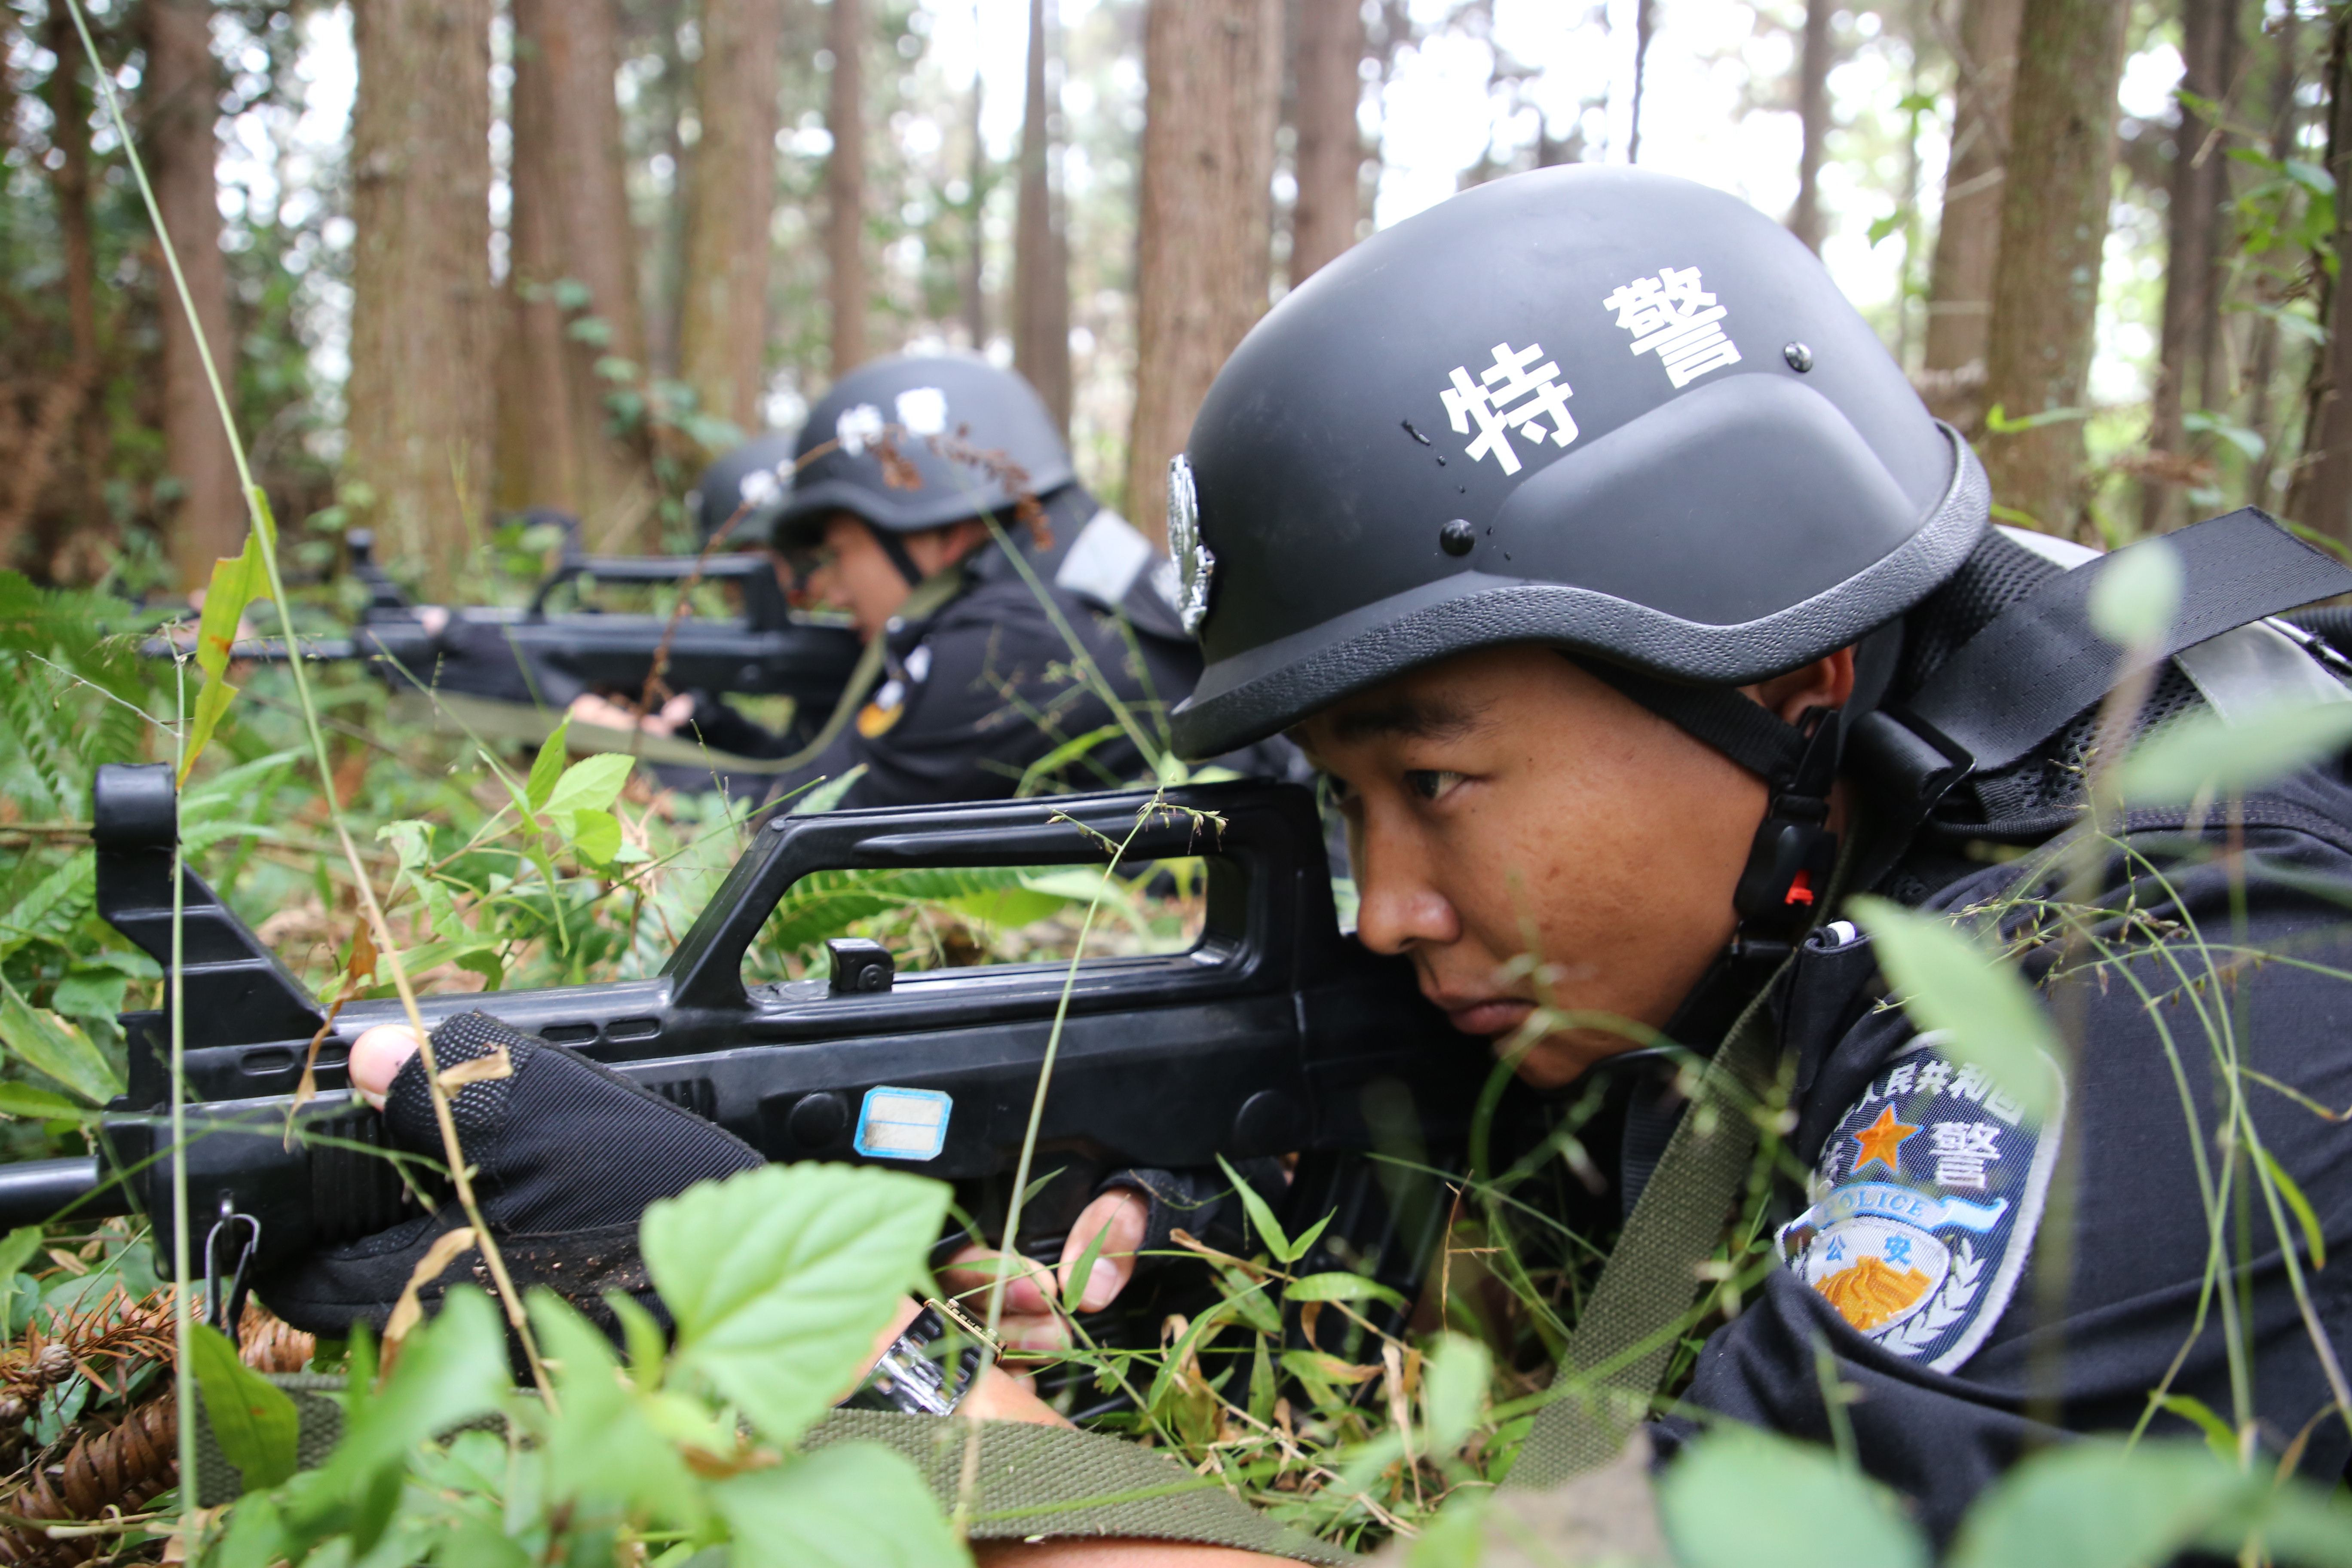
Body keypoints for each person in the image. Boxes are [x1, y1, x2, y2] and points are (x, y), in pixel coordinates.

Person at [267, 167, 2352, 1561]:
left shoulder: (2170, 966)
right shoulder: (1842, 800)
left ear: (1774, 658)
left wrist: (844, 1375)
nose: (1393, 903)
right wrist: (1213, 1220)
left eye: (1430, 780)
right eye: (1340, 803)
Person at [571, 355, 1216, 809]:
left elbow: (811, 827)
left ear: (932, 526)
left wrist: (623, 768)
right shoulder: (1067, 569)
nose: (833, 591)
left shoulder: (1016, 637)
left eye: (841, 552)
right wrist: (710, 733)